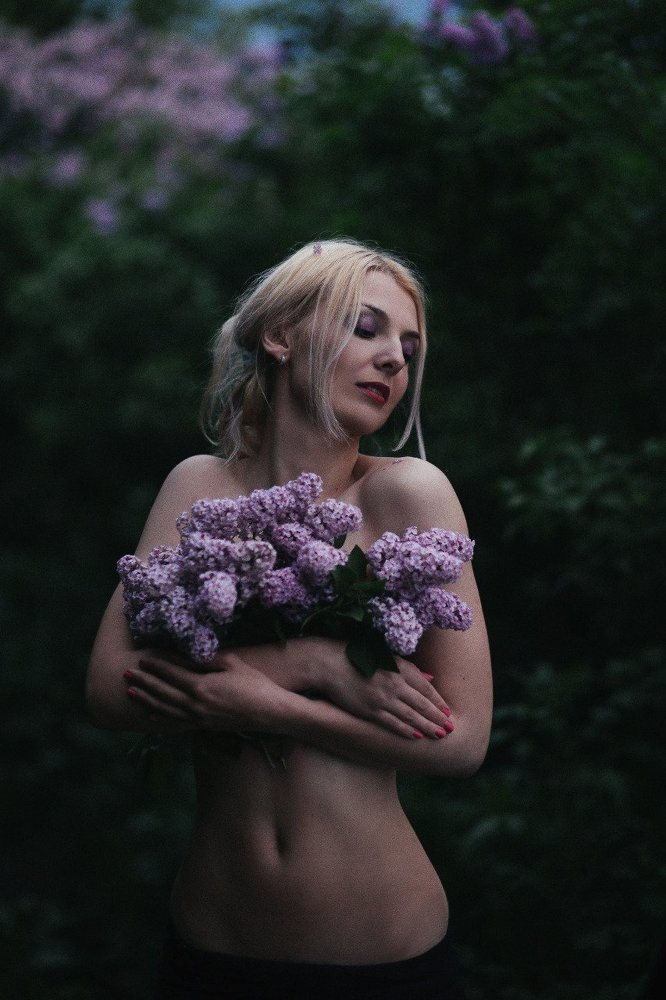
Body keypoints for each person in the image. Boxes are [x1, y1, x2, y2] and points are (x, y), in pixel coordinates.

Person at [86, 238, 493, 999]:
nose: (394, 359)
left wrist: (269, 706)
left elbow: (464, 742)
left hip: (381, 962)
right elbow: (110, 689)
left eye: (409, 349)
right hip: (210, 946)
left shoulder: (408, 494)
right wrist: (312, 666)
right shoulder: (200, 487)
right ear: (280, 335)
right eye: (365, 328)